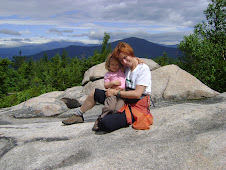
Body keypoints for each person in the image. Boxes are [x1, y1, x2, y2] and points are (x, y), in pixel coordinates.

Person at [62, 42, 153, 132]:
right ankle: (78, 115)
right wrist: (134, 59)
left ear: (131, 54)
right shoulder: (126, 67)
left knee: (106, 124)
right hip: (123, 98)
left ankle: (104, 118)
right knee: (95, 93)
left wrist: (115, 92)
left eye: (125, 57)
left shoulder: (143, 69)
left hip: (136, 105)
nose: (124, 62)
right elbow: (113, 61)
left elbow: (137, 94)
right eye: (121, 60)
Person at [92, 53, 125, 131]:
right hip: (112, 94)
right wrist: (112, 83)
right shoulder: (108, 74)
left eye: (117, 64)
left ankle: (109, 121)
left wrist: (139, 60)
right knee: (110, 107)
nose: (115, 66)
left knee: (118, 109)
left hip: (122, 94)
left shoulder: (121, 70)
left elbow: (130, 61)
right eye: (112, 64)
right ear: (108, 65)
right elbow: (106, 85)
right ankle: (100, 119)